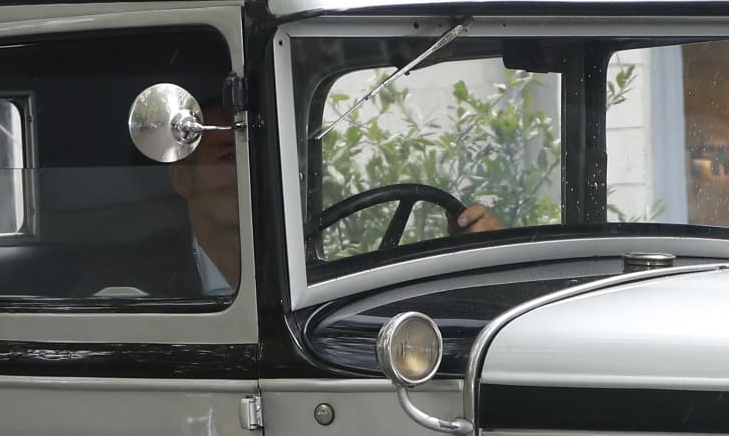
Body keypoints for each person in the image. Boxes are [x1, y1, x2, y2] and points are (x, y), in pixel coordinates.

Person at [165, 102, 496, 297]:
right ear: (182, 178)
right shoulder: (142, 279)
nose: (248, 172)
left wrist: (470, 254)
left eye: (257, 157)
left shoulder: (305, 266)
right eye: (226, 157)